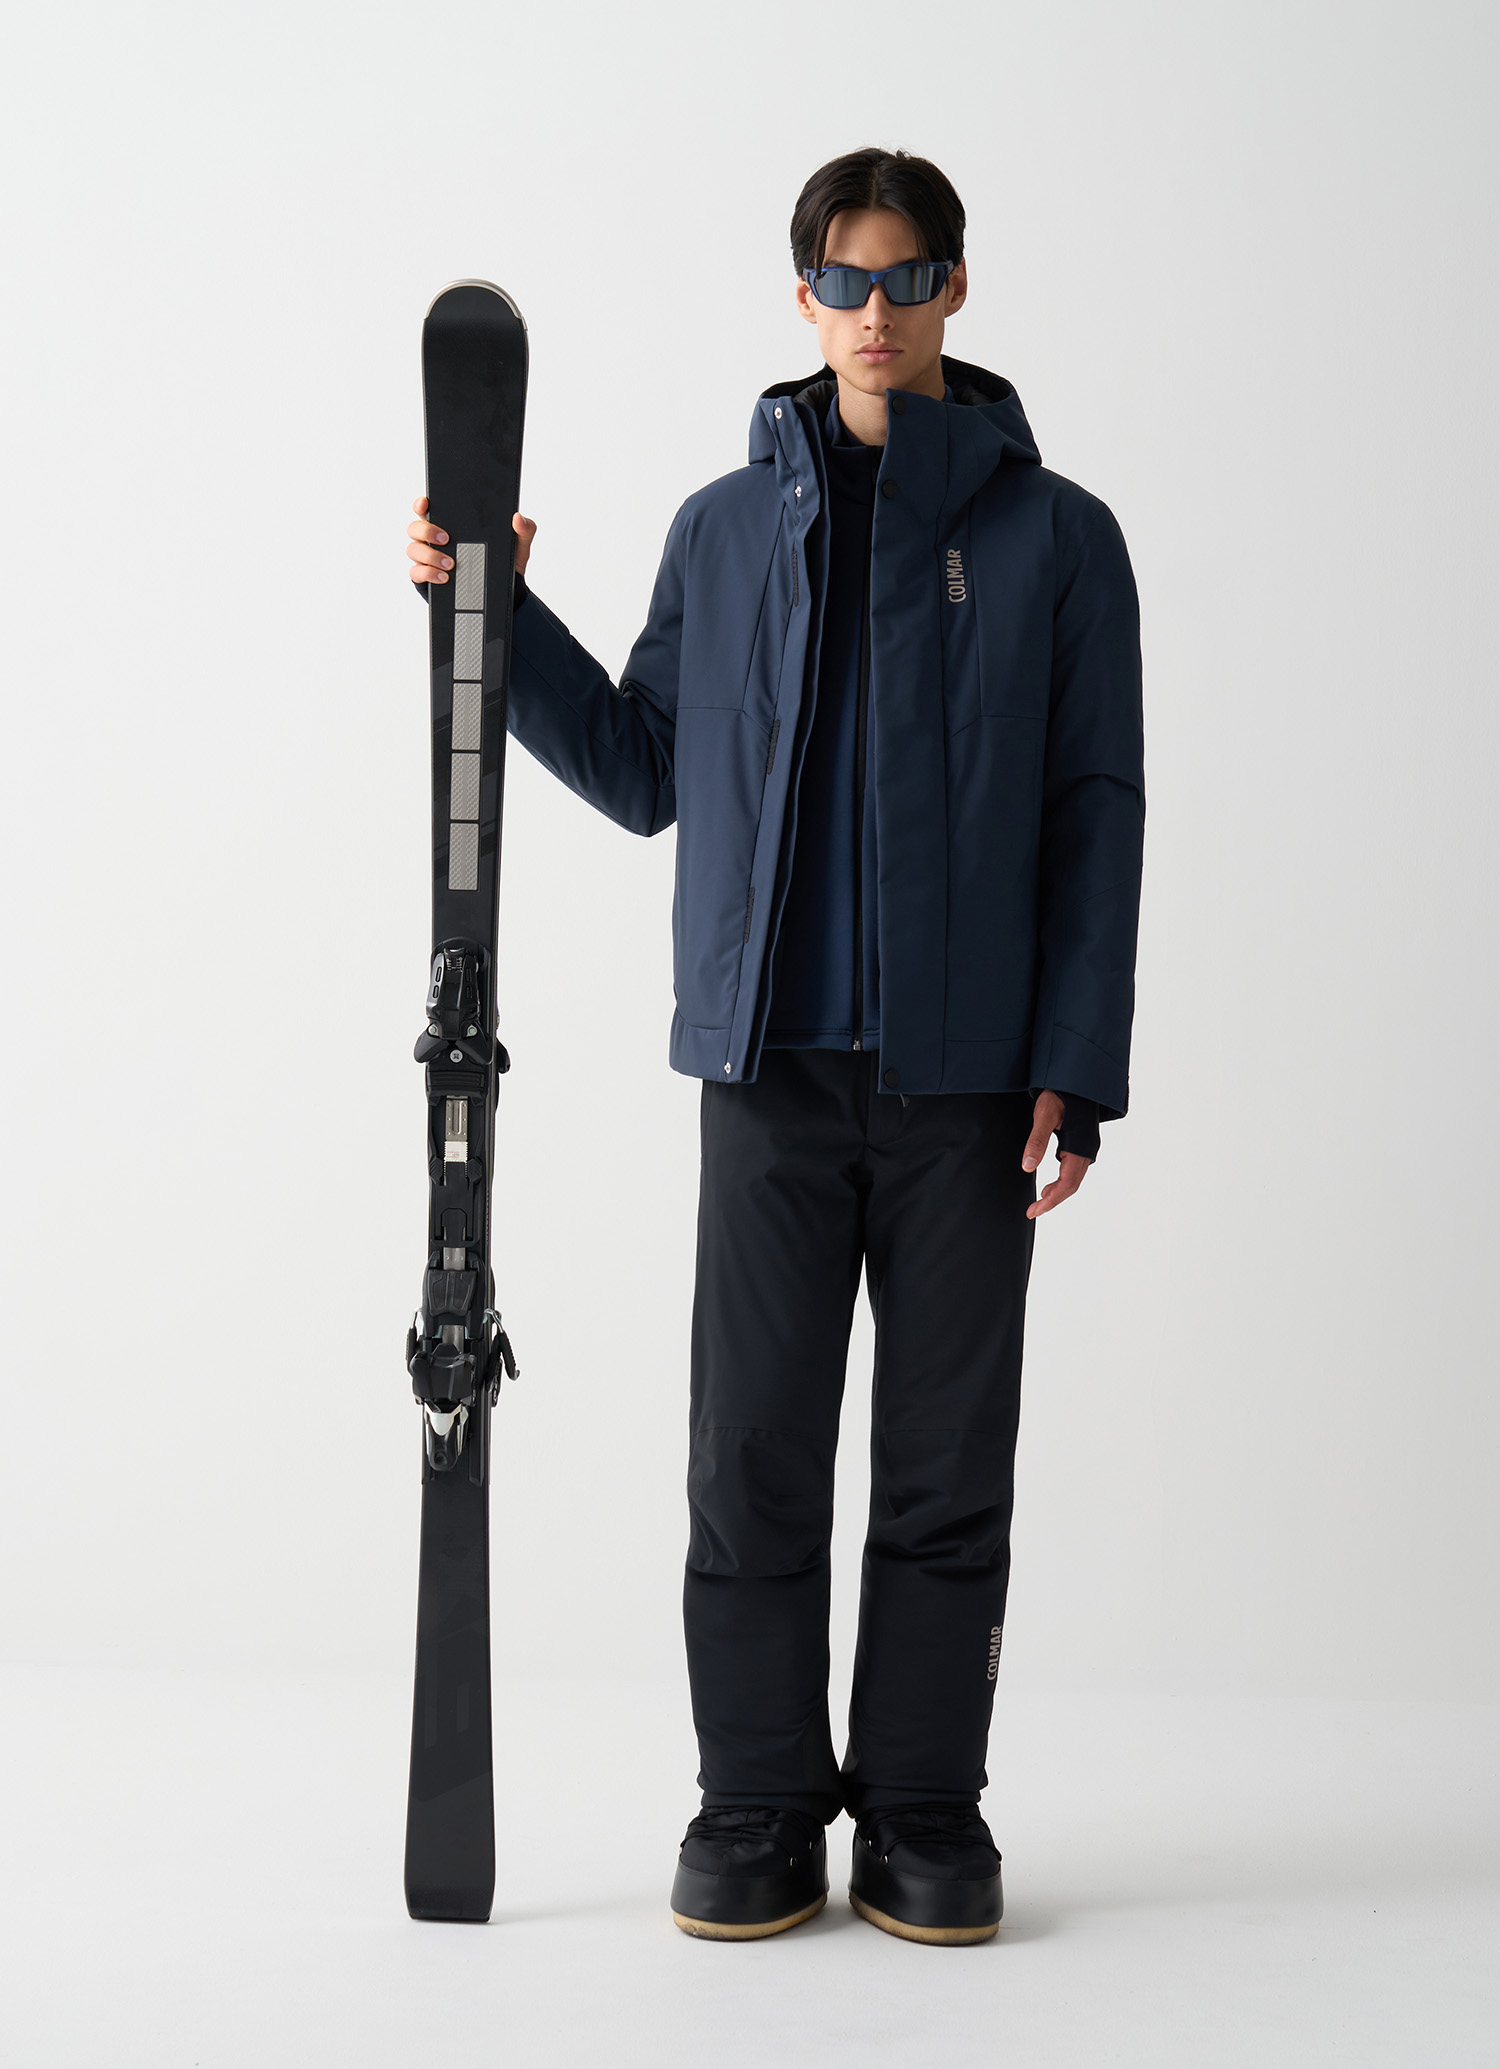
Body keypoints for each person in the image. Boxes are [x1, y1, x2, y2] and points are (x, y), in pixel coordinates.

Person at [406, 146, 1144, 1947]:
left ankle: (922, 1806)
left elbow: (1095, 811)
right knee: (749, 1457)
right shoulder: (725, 530)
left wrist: (1078, 1060)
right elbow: (645, 767)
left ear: (954, 287)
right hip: (767, 1073)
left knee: (947, 1464)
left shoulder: (1060, 540)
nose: (873, 315)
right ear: (801, 296)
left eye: (905, 279)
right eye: (842, 281)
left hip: (970, 1087)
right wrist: (490, 619)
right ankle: (752, 1802)